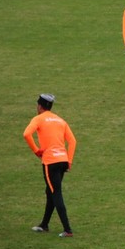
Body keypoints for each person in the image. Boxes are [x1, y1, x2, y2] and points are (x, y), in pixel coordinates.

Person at [23, 94, 77, 237]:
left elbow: (26, 134)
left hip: (50, 161)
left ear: (40, 106)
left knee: (56, 193)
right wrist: (69, 161)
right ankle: (44, 224)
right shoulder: (60, 120)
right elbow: (72, 141)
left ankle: (67, 229)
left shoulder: (38, 119)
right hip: (62, 160)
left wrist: (36, 151)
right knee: (51, 192)